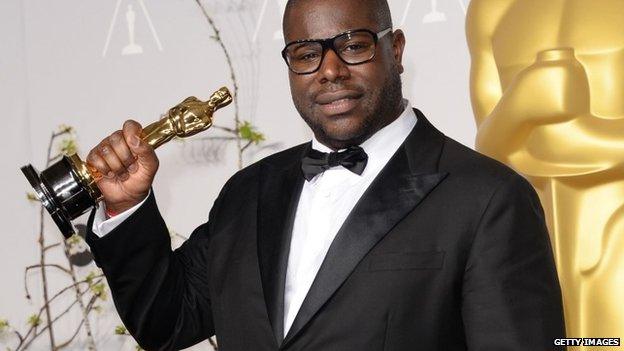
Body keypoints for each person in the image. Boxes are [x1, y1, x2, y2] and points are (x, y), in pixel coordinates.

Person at [85, 0, 566, 350]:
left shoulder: (488, 198)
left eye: (353, 45)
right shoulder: (247, 193)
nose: (329, 71)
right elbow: (166, 322)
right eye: (305, 54)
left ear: (395, 50)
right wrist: (127, 207)